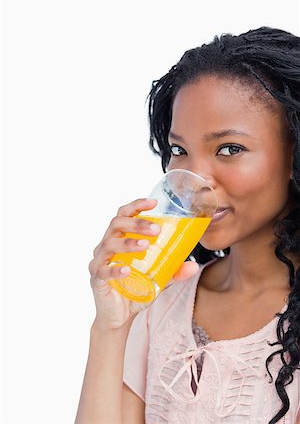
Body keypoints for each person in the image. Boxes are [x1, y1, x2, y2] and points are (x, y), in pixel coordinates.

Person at [75, 27, 300, 423]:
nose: (195, 179)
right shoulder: (162, 305)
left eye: (230, 149)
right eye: (179, 150)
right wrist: (111, 327)